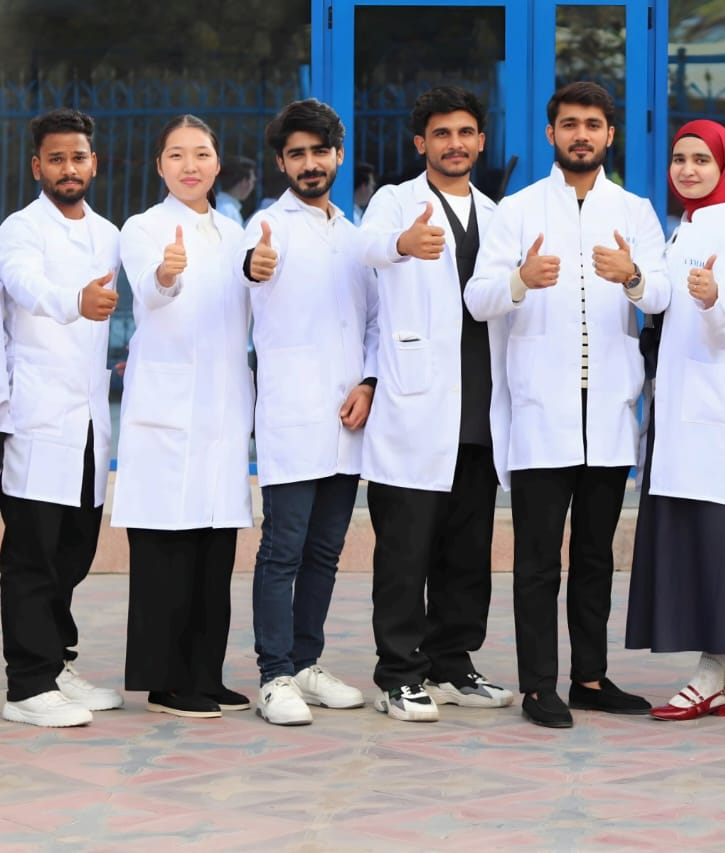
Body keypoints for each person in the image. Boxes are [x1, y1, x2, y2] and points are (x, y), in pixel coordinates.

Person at [465, 81, 669, 728]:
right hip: (541, 411)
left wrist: (632, 277)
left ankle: (590, 677)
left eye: (593, 124)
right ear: (551, 133)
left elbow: (662, 295)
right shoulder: (518, 210)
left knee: (595, 557)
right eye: (571, 124)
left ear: (610, 134)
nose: (582, 134)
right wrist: (519, 280)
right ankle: (537, 686)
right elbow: (477, 299)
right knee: (536, 561)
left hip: (607, 411)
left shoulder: (635, 211)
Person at [356, 86, 511, 723]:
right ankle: (399, 674)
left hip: (478, 409)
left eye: (466, 132)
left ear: (481, 141)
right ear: (421, 143)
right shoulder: (396, 202)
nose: (455, 144)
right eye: (442, 133)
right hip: (415, 408)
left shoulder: (496, 214)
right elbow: (365, 248)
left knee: (466, 551)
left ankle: (452, 664)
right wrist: (401, 244)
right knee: (405, 551)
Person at [623, 120, 725, 721]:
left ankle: (711, 673)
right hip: (681, 410)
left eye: (701, 160)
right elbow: (660, 300)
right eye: (679, 158)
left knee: (718, 543)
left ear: (723, 166)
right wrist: (633, 278)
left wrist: (711, 299)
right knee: (693, 538)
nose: (687, 170)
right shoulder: (683, 228)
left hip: (719, 414)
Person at [241, 99, 379, 726]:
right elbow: (248, 273)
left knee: (325, 551)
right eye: (296, 154)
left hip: (347, 418)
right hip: (293, 417)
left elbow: (375, 321)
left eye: (319, 151)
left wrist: (370, 383)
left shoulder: (355, 237)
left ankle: (305, 663)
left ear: (338, 155)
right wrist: (254, 265)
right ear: (281, 163)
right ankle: (273, 676)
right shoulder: (266, 228)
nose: (309, 163)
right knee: (283, 551)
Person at [113, 115, 254, 719]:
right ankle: (166, 682)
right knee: (166, 548)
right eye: (176, 155)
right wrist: (167, 271)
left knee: (214, 549)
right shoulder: (143, 227)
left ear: (217, 164)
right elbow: (150, 288)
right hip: (168, 410)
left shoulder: (235, 233)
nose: (190, 165)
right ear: (160, 166)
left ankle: (205, 673)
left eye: (201, 153)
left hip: (222, 408)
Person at [0, 107, 123, 727]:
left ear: (93, 163)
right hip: (38, 415)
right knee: (32, 554)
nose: (68, 168)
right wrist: (75, 300)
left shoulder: (109, 233)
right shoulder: (20, 230)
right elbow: (25, 286)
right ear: (37, 167)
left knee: (74, 549)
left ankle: (56, 662)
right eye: (56, 159)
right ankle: (27, 685)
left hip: (90, 417)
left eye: (77, 157)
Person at [215, 155, 256, 225]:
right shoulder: (229, 212)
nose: (252, 187)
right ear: (245, 182)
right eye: (253, 181)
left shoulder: (214, 205)